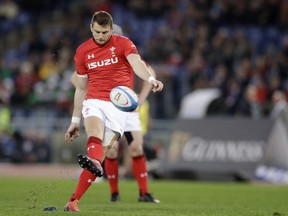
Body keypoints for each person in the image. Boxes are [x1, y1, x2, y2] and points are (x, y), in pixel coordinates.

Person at [63, 11, 163, 212]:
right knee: (95, 134)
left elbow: (137, 64)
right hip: (94, 101)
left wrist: (151, 79)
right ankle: (78, 199)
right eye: (98, 32)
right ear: (91, 27)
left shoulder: (124, 43)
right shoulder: (83, 51)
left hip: (118, 106)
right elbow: (81, 87)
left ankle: (73, 199)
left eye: (105, 32)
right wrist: (74, 120)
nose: (101, 36)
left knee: (100, 156)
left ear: (111, 29)